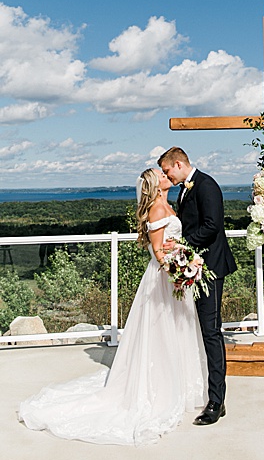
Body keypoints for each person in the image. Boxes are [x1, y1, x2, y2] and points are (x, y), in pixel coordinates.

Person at [19, 169, 207, 445]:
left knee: (178, 328)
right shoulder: (156, 209)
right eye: (161, 174)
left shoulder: (168, 203)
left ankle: (179, 384)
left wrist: (182, 252)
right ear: (156, 186)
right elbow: (156, 251)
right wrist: (177, 264)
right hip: (163, 278)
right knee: (161, 331)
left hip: (174, 274)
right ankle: (160, 388)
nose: (166, 175)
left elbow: (170, 240)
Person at [158, 147, 235, 426]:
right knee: (198, 330)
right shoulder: (187, 188)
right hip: (195, 267)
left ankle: (217, 401)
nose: (167, 176)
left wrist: (183, 244)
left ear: (178, 164)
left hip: (211, 269)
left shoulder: (206, 185)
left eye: (167, 171)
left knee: (211, 332)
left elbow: (212, 227)